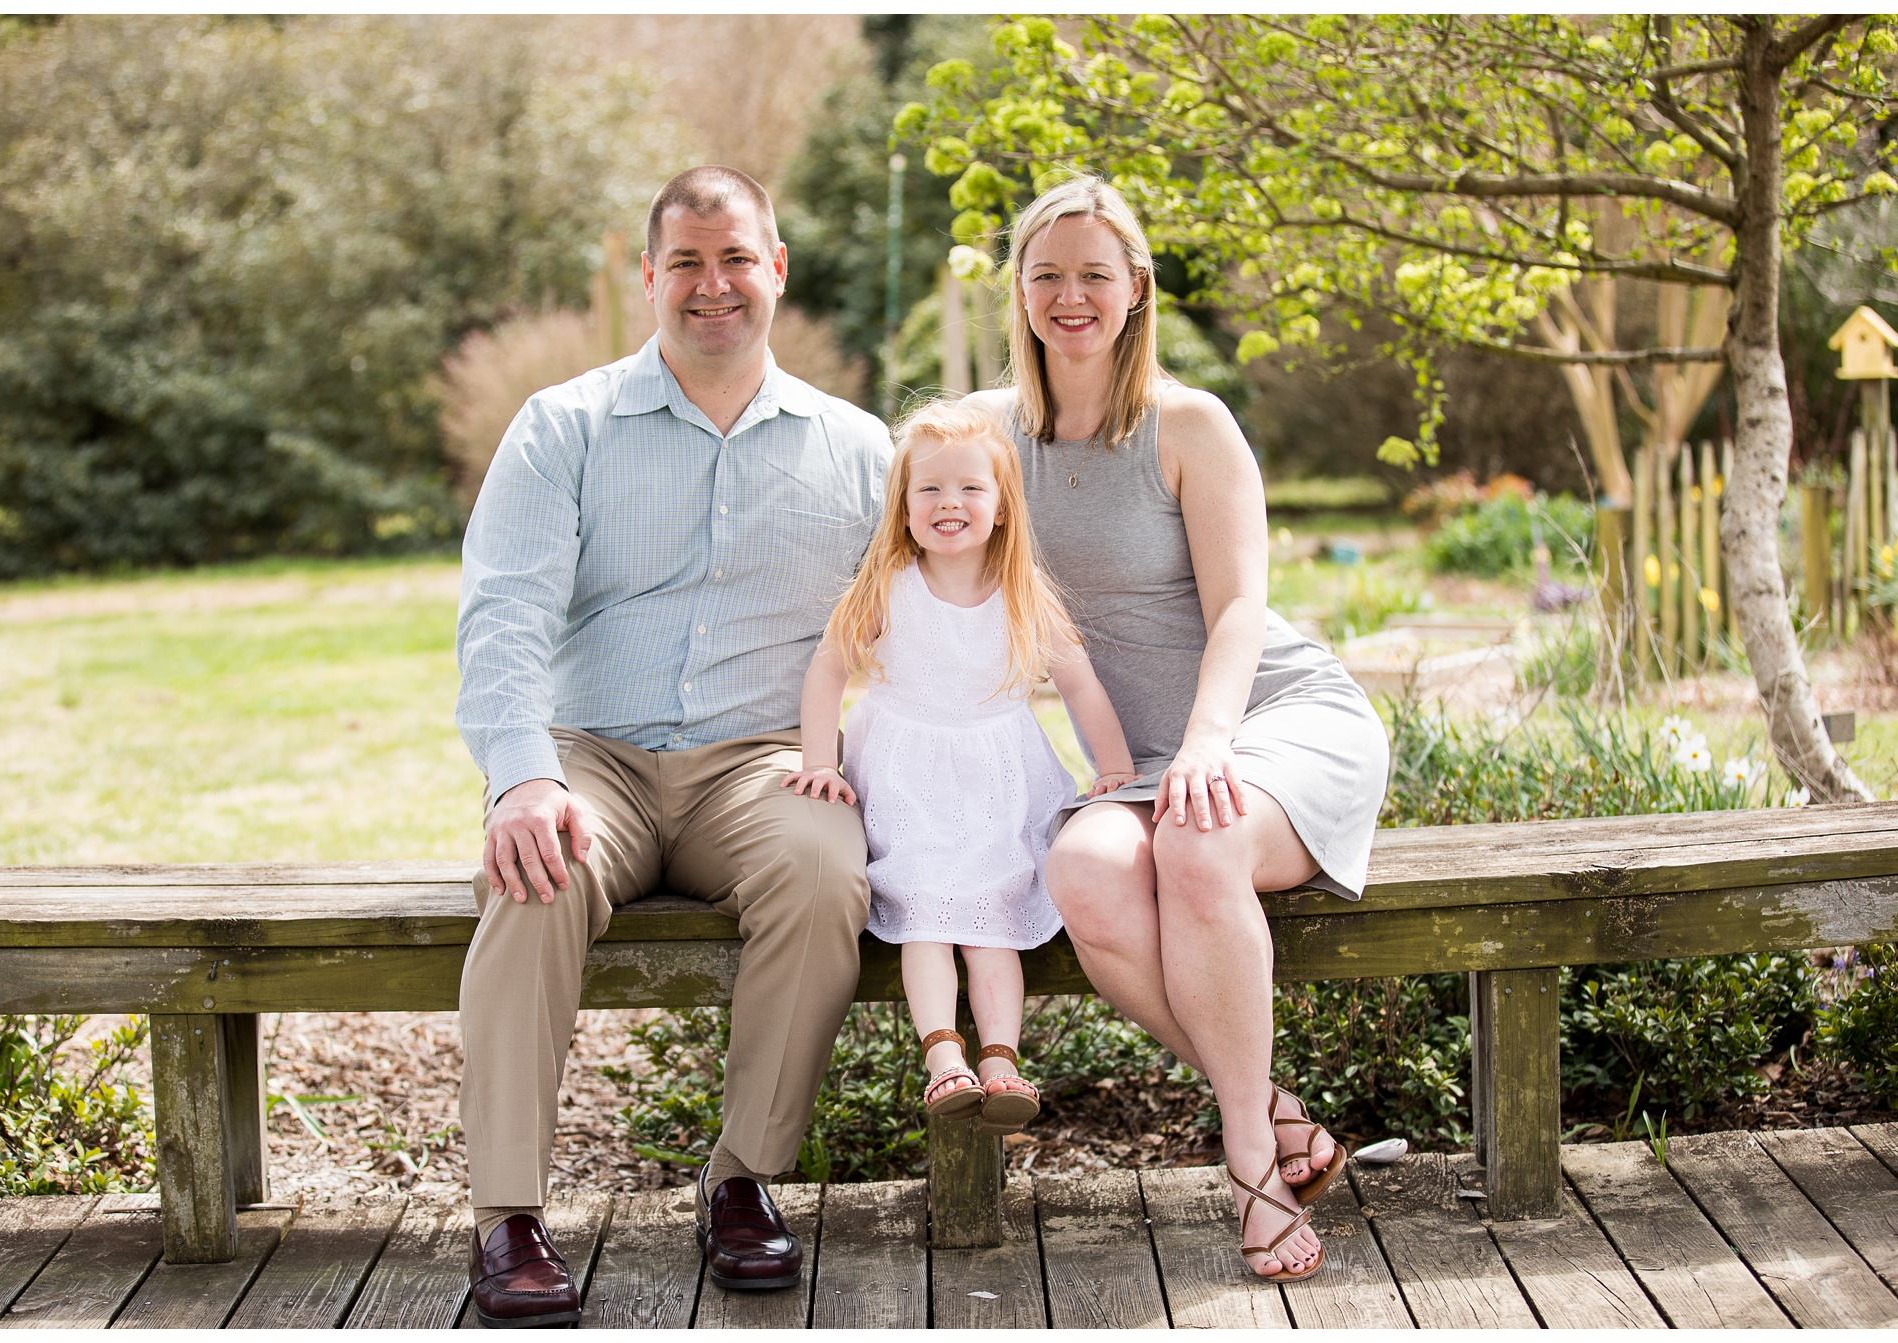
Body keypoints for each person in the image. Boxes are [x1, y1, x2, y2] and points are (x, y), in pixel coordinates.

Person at [453, 165, 892, 1326]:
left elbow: (924, 621)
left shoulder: (855, 450)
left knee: (822, 867)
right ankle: (506, 1212)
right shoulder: (563, 426)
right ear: (649, 277)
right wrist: (520, 775)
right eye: (687, 261)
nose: (713, 284)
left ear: (776, 269)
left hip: (760, 760)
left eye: (736, 256)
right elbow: (502, 612)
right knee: (533, 870)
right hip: (589, 753)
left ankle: (740, 1179)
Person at [963, 176, 1390, 1282]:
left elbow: (1240, 607)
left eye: (1093, 274)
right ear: (1017, 288)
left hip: (1271, 717)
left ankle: (1250, 1159)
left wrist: (1207, 741)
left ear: (1135, 287)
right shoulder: (982, 435)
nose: (1069, 296)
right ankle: (1279, 1111)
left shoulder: (1189, 423)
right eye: (1046, 274)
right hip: (1137, 756)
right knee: (1085, 871)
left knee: (1199, 840)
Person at [781, 400, 1138, 1133]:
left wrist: (1114, 766)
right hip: (907, 779)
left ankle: (1002, 1061)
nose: (950, 503)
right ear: (903, 505)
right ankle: (946, 1058)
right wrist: (822, 759)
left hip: (996, 783)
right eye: (930, 489)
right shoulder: (887, 586)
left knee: (991, 920)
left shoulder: (1023, 595)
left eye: (971, 488)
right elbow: (826, 670)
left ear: (1003, 506)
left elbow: (1079, 683)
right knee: (926, 909)